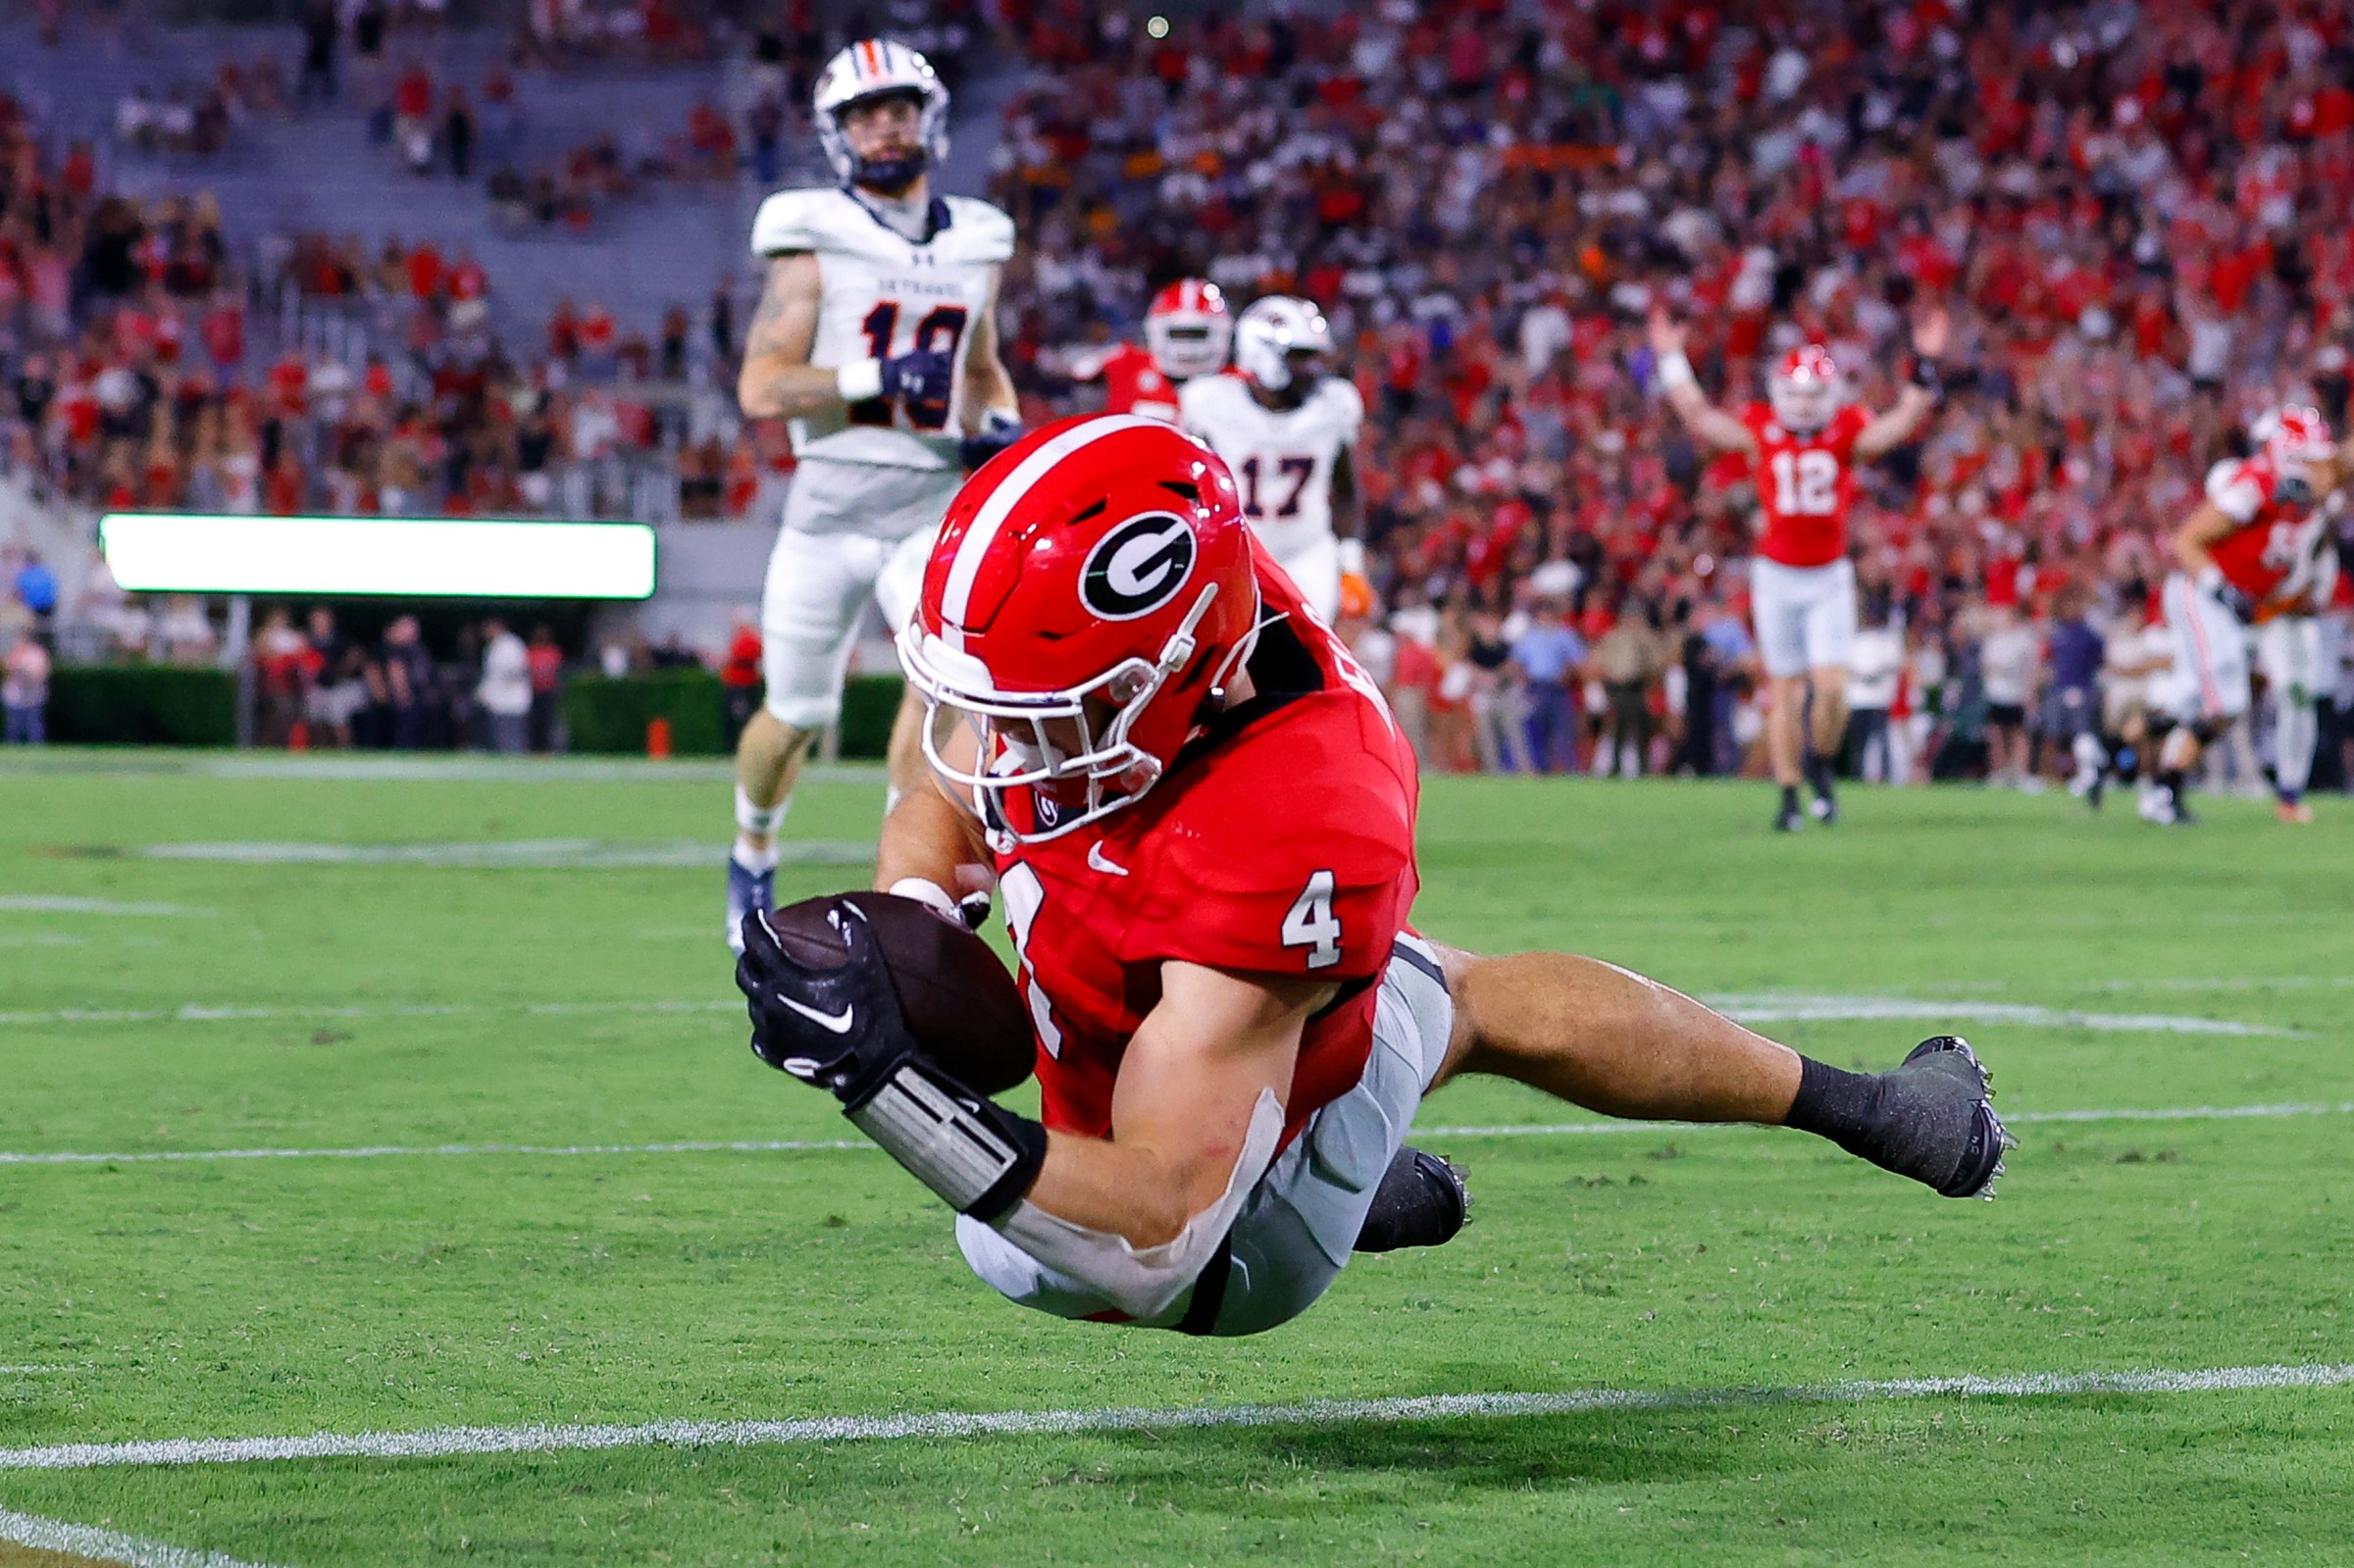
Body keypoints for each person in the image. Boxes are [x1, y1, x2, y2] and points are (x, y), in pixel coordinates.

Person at [731, 417, 2013, 1340]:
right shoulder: (1116, 639)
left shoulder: (1299, 807)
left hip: (1202, 1255)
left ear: (1180, 678)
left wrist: (886, 1086)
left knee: (1432, 989)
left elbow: (1153, 1240)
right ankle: (1883, 1107)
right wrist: (909, 914)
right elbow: (941, 784)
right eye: (988, 703)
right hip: (1101, 1141)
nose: (1001, 748)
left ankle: (1316, 1183)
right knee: (1443, 991)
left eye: (1047, 715)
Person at [725, 37, 1021, 953]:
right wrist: (876, 375)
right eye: (865, 113)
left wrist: (1001, 420)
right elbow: (761, 387)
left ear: (928, 120)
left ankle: (905, 879)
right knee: (794, 717)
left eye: (898, 107)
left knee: (948, 695)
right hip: (830, 509)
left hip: (931, 502)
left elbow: (983, 367)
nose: (885, 124)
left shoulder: (977, 236)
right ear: (837, 133)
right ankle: (752, 848)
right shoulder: (814, 234)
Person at [1650, 307, 1947, 830]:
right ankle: (1789, 797)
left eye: (1815, 396)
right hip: (1776, 574)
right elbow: (1699, 416)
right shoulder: (1762, 428)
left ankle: (1820, 762)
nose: (1806, 406)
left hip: (1828, 573)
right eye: (1798, 395)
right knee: (1783, 688)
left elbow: (1900, 424)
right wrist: (1672, 358)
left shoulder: (1846, 429)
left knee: (1832, 687)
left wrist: (1924, 361)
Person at [2143, 405, 2338, 826]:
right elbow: (2186, 541)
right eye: (2311, 458)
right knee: (2225, 700)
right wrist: (2223, 590)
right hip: (2204, 594)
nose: (2322, 468)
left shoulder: (2310, 496)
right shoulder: (2256, 484)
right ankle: (2161, 786)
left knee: (2195, 700)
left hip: (2239, 606)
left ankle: (2125, 761)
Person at [1180, 295, 1369, 625]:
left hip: (1306, 553)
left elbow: (1346, 491)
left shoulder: (1333, 406)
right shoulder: (1211, 402)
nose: (1313, 369)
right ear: (1259, 351)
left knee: (1305, 655)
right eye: (1300, 357)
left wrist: (1350, 565)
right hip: (1236, 553)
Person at [1065, 279, 1232, 423]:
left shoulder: (1236, 384)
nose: (1186, 345)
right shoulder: (1127, 363)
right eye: (1177, 333)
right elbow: (1078, 369)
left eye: (1197, 334)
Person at [476, 618, 531, 753]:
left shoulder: (511, 644)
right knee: (499, 741)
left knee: (512, 741)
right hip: (497, 703)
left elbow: (516, 670)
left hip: (512, 702)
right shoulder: (494, 645)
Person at [2, 632, 48, 744]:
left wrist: (27, 674)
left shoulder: (37, 654)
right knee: (13, 724)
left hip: (33, 694)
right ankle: (12, 745)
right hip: (15, 695)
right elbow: (7, 672)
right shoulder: (14, 653)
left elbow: (41, 673)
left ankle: (37, 745)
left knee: (33, 723)